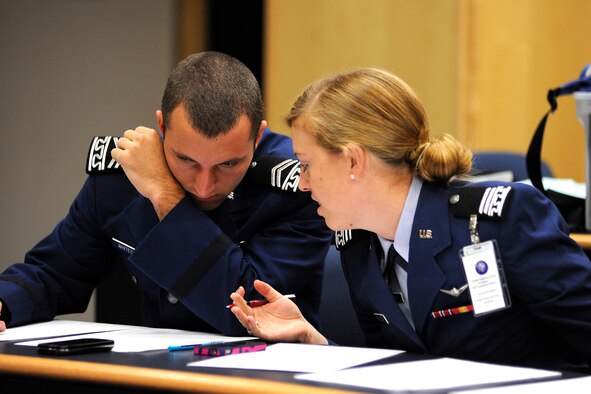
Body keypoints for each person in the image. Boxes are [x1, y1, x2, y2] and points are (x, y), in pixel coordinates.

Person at [229, 67, 591, 371]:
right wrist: (313, 339)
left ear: (353, 161)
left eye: (307, 165)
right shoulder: (360, 244)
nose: (302, 184)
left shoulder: (502, 221)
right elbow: (395, 368)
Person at [0, 51, 332, 335]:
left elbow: (246, 311)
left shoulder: (297, 185)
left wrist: (165, 194)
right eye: (185, 159)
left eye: (228, 164)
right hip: (136, 374)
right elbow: (55, 273)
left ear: (257, 138)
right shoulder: (124, 174)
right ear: (161, 127)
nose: (204, 185)